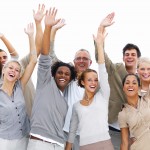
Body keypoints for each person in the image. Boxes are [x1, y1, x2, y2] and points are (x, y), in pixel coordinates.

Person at [27, 7, 76, 150]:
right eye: (60, 72)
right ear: (53, 74)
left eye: (67, 74)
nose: (63, 75)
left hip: (59, 144)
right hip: (39, 143)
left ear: (70, 79)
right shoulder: (45, 82)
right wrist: (48, 27)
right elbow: (45, 54)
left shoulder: (65, 103)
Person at [95, 12, 141, 150]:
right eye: (127, 55)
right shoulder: (115, 69)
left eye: (133, 55)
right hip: (113, 128)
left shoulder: (144, 77)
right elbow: (100, 57)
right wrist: (101, 29)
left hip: (136, 131)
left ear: (138, 58)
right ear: (123, 58)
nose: (130, 57)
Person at [65, 24, 113, 150]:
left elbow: (102, 68)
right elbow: (72, 129)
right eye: (78, 58)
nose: (81, 61)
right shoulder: (67, 81)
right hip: (73, 137)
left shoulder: (102, 94)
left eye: (85, 59)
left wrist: (99, 45)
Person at [0, 23, 37, 150]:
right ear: (4, 71)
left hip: (24, 138)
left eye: (17, 70)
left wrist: (31, 36)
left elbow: (33, 60)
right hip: (5, 141)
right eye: (10, 68)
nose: (13, 71)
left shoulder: (20, 86)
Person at [118, 73, 150, 150]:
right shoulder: (122, 114)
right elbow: (124, 143)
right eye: (127, 83)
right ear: (123, 88)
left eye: (134, 83)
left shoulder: (148, 100)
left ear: (138, 87)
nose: (130, 85)